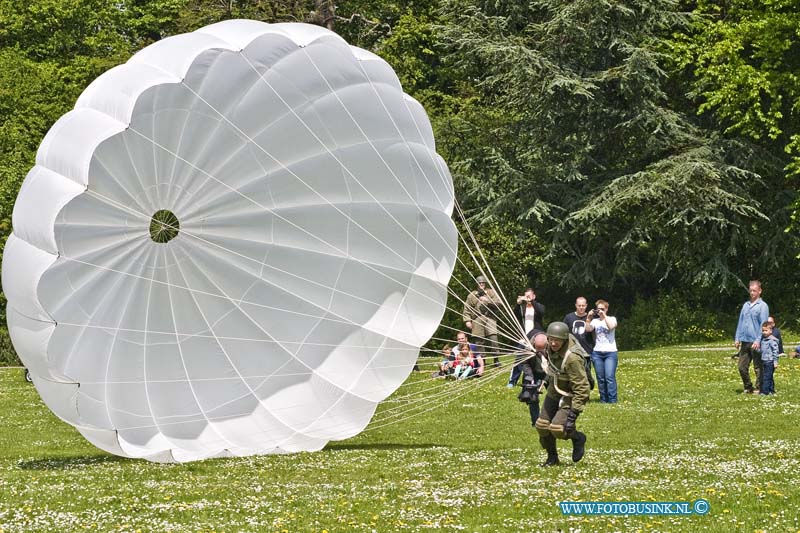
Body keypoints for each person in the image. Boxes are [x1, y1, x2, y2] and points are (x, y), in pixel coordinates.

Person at [534, 322, 590, 466]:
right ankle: (552, 458)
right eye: (550, 339)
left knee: (558, 428)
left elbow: (582, 388)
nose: (553, 343)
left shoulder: (573, 358)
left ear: (564, 340)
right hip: (555, 388)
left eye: (557, 340)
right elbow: (554, 367)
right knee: (541, 425)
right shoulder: (548, 347)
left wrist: (573, 414)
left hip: (571, 393)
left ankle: (578, 438)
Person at [734, 280, 769, 394]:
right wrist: (737, 338)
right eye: (750, 290)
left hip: (756, 341)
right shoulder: (746, 305)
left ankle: (759, 388)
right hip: (745, 340)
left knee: (758, 367)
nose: (752, 293)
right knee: (741, 366)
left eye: (754, 290)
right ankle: (748, 387)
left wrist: (758, 340)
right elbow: (741, 322)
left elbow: (763, 325)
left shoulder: (763, 306)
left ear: (760, 291)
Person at [508, 288, 546, 387]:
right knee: (519, 358)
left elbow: (542, 312)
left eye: (529, 296)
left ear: (534, 296)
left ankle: (537, 379)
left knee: (537, 359)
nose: (527, 298)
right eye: (526, 296)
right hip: (524, 337)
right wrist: (518, 304)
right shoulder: (522, 308)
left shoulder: (538, 306)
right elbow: (515, 315)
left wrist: (531, 301)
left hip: (535, 336)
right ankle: (512, 381)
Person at [463, 275, 503, 368]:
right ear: (476, 284)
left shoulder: (491, 292)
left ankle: (496, 359)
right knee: (479, 341)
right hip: (477, 318)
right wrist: (467, 321)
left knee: (493, 338)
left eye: (483, 283)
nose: (481, 284)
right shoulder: (471, 295)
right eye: (479, 283)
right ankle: (482, 360)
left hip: (490, 317)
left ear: (485, 283)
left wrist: (488, 300)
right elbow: (467, 309)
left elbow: (499, 303)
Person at [585, 299, 618, 403]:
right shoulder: (595, 321)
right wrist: (588, 319)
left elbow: (611, 326)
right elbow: (588, 329)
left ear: (606, 309)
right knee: (601, 378)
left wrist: (604, 316)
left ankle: (612, 400)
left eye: (602, 309)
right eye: (598, 309)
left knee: (609, 377)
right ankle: (603, 399)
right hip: (597, 353)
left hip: (610, 352)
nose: (599, 311)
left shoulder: (612, 319)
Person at [563, 296, 596, 390]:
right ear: (576, 305)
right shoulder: (569, 317)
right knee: (573, 373)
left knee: (586, 373)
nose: (581, 307)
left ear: (586, 306)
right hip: (572, 351)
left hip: (587, 351)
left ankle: (585, 391)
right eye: (579, 305)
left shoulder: (591, 318)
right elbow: (565, 333)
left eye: (583, 305)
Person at [517, 332, 549, 423]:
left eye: (541, 348)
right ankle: (536, 421)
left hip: (549, 373)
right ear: (534, 343)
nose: (539, 350)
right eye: (537, 348)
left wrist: (546, 380)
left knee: (554, 396)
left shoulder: (553, 348)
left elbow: (553, 366)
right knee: (532, 397)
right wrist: (529, 377)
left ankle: (552, 419)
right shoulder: (527, 348)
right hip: (533, 374)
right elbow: (524, 363)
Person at [759, 321, 779, 395]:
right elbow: (762, 350)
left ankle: (765, 391)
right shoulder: (763, 339)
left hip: (770, 361)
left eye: (766, 330)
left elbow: (775, 352)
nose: (764, 332)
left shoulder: (772, 341)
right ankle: (771, 390)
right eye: (763, 330)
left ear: (770, 331)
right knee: (769, 376)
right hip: (764, 360)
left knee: (766, 377)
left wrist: (775, 362)